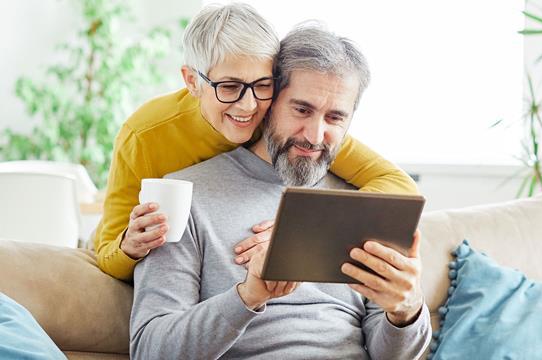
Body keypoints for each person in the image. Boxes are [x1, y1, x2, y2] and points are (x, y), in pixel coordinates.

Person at [130, 23, 431, 359]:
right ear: (268, 100)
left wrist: (406, 310)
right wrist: (246, 297)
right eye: (301, 110)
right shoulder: (184, 195)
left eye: (334, 117)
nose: (315, 136)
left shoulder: (364, 204)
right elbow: (149, 350)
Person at [93, 3, 419, 282]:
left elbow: (399, 187)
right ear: (192, 81)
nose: (248, 106)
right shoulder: (146, 135)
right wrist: (129, 247)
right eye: (230, 86)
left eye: (262, 85)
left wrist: (301, 228)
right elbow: (106, 251)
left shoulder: (281, 121)